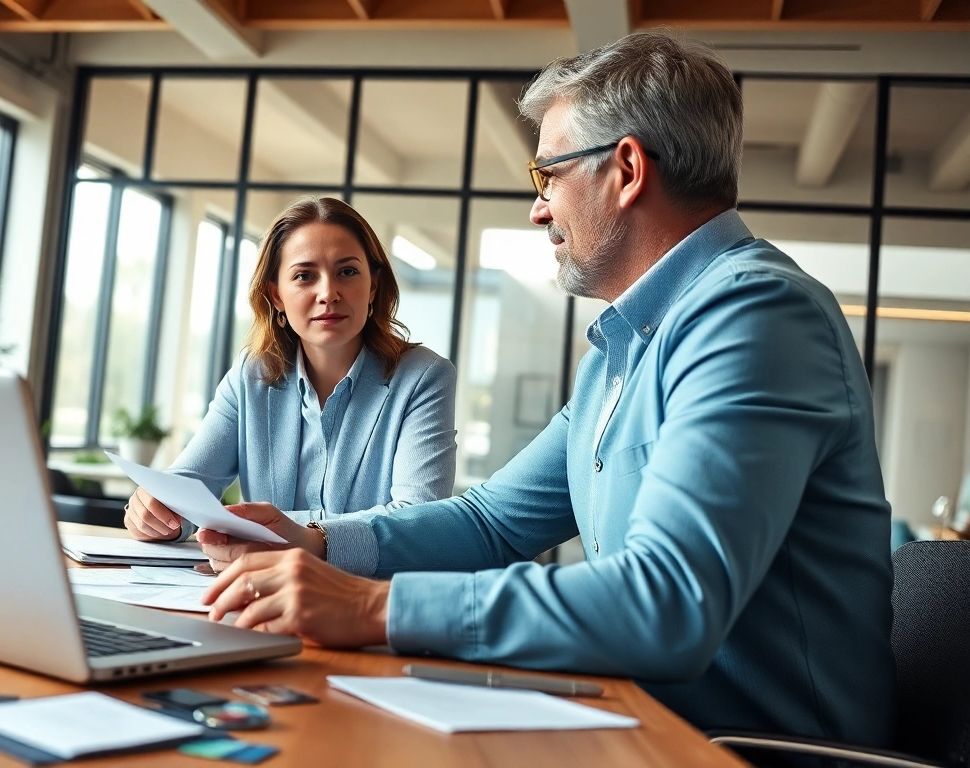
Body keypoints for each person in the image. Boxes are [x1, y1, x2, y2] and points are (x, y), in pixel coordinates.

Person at [198, 32, 896, 748]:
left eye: (548, 176)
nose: (538, 209)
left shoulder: (753, 315)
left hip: (743, 751)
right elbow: (492, 524)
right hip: (640, 719)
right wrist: (318, 542)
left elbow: (668, 603)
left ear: (626, 170)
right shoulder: (621, 352)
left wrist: (375, 606)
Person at [124, 196, 457, 544]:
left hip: (363, 593)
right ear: (277, 295)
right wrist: (157, 513)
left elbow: (419, 521)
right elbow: (186, 491)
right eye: (304, 276)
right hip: (256, 592)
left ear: (372, 285)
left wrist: (281, 529)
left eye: (347, 271)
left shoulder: (425, 377)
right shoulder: (250, 376)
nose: (328, 293)